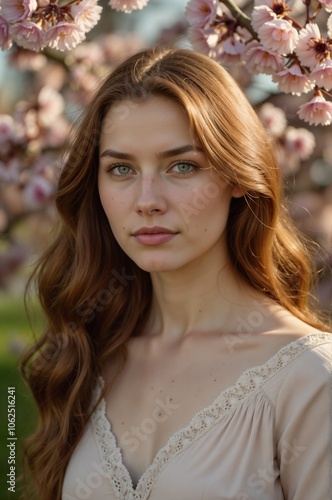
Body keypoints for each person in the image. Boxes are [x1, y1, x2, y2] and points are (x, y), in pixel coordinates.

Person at [21, 47, 331, 500]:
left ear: (238, 175)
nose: (147, 200)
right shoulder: (91, 353)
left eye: (181, 166)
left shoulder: (309, 379)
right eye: (121, 168)